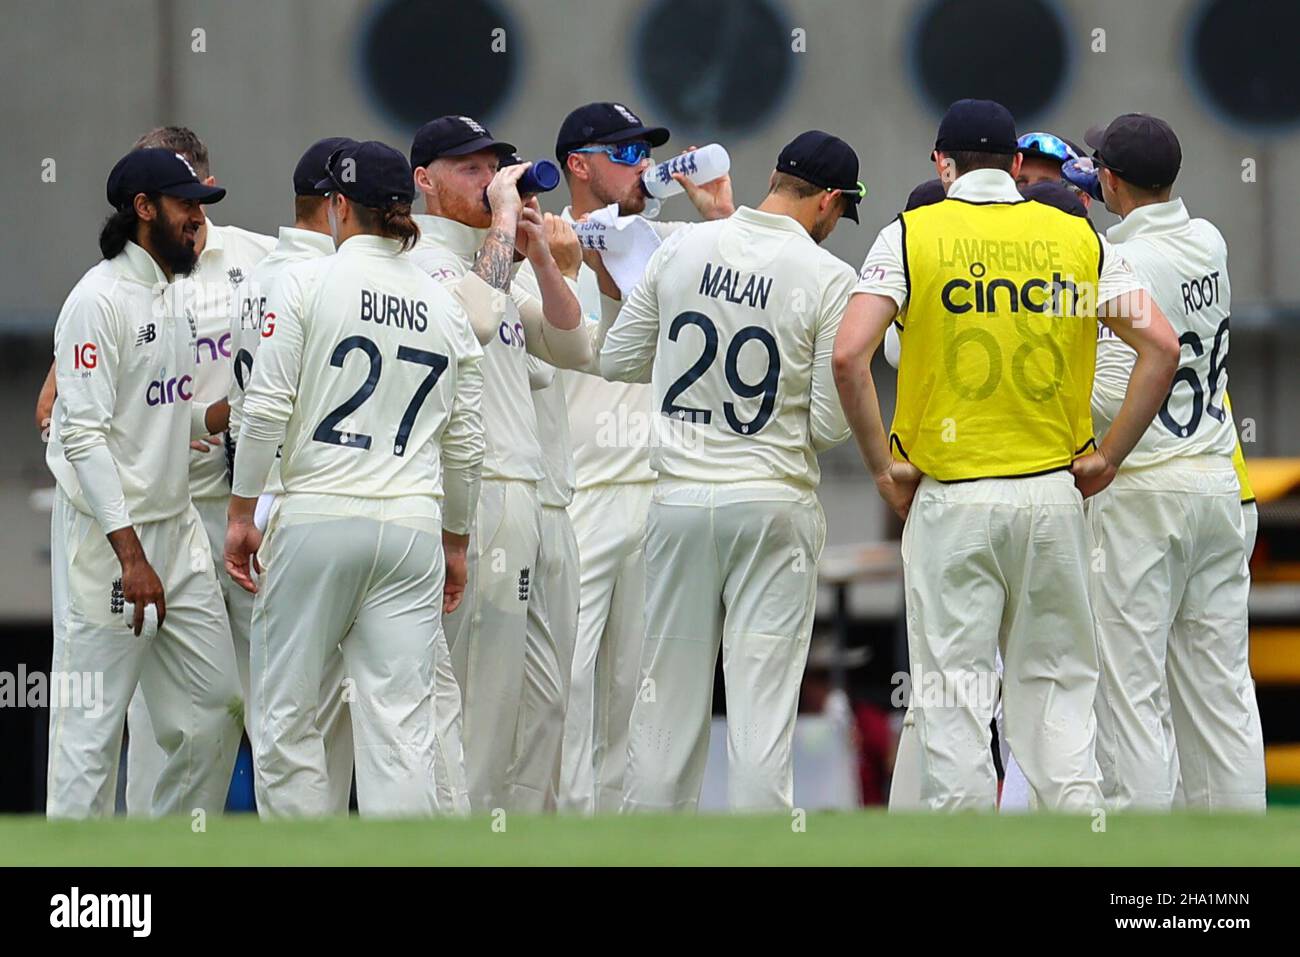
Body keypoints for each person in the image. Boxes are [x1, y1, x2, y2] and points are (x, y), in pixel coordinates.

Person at [834, 99, 1180, 812]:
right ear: (1018, 166)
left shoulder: (910, 233)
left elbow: (847, 356)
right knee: (1057, 707)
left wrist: (880, 468)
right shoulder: (1075, 237)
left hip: (952, 499)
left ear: (941, 163)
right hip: (1054, 496)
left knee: (955, 704)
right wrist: (1109, 456)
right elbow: (1161, 348)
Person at [601, 129, 863, 811]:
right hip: (773, 500)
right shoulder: (830, 277)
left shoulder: (684, 246)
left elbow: (617, 359)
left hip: (680, 500)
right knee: (761, 712)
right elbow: (832, 426)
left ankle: (648, 858)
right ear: (829, 201)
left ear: (776, 176)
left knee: (666, 706)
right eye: (840, 212)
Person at [225, 140, 484, 818]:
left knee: (286, 717)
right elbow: (467, 442)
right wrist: (456, 539)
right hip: (411, 528)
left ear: (340, 206)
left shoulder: (306, 283)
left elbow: (266, 407)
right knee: (401, 728)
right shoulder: (444, 302)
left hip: (318, 516)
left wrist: (241, 511)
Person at [46, 148, 242, 818]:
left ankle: (170, 853)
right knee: (91, 731)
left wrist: (223, 413)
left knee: (216, 703)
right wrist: (130, 554)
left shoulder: (175, 293)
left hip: (177, 529)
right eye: (186, 204)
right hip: (111, 544)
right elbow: (84, 434)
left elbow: (164, 410)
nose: (197, 219)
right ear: (143, 208)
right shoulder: (94, 302)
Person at [406, 114, 591, 812]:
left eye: (496, 168)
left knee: (543, 701)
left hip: (532, 494)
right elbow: (474, 321)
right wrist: (506, 225)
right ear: (425, 181)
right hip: (477, 491)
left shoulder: (499, 265)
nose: (491, 182)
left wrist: (542, 255)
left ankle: (517, 840)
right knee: (480, 698)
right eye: (472, 169)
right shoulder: (422, 262)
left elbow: (576, 349)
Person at [553, 101, 734, 813]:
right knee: (566, 685)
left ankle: (625, 845)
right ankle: (561, 838)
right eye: (622, 153)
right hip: (579, 490)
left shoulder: (667, 240)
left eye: (642, 154)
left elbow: (746, 293)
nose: (639, 167)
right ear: (579, 163)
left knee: (637, 689)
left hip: (656, 485)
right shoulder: (543, 238)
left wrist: (720, 214)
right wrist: (566, 258)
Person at [1084, 114, 1265, 811]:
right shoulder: (1210, 239)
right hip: (1218, 482)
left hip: (1143, 487)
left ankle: (1142, 863)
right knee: (1221, 690)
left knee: (1130, 692)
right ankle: (1241, 855)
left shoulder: (1117, 263)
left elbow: (1109, 390)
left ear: (1106, 180)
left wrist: (1101, 456)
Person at [118, 127, 275, 815]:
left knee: (267, 697)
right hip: (164, 512)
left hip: (244, 510)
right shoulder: (130, 275)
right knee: (166, 714)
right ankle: (163, 853)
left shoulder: (260, 258)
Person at [227, 136, 356, 813]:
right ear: (337, 205)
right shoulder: (319, 280)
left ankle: (315, 845)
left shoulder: (257, 278)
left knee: (291, 707)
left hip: (274, 501)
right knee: (296, 713)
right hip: (298, 499)